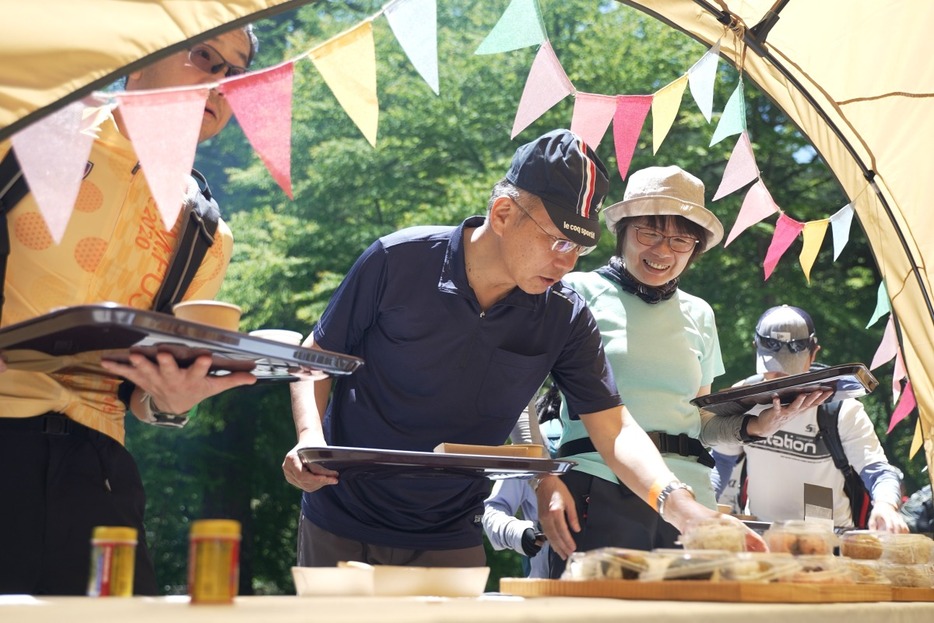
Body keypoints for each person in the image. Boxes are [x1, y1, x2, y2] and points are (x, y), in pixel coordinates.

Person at [281, 129, 766, 569]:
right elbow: (317, 356)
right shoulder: (397, 259)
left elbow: (613, 427)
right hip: (340, 514)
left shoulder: (565, 313)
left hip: (453, 527)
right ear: (503, 213)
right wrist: (307, 436)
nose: (567, 261)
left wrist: (684, 509)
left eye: (580, 248)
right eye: (556, 240)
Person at [0, 26, 260, 596]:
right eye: (205, 57)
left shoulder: (208, 234)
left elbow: (146, 396)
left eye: (237, 75)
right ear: (139, 58)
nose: (220, 84)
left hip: (101, 474)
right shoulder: (26, 131)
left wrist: (171, 401)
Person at [541, 166, 830, 578]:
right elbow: (518, 399)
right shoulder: (575, 291)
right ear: (622, 231)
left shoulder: (700, 312)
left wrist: (755, 426)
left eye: (680, 239)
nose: (663, 251)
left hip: (696, 502)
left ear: (694, 249)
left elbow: (699, 423)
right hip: (597, 487)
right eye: (649, 233)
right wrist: (542, 480)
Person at [711, 305, 908, 533]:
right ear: (756, 348)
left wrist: (885, 505)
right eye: (772, 367)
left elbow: (878, 471)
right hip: (761, 532)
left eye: (790, 369)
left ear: (813, 353)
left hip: (827, 538)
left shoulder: (841, 407)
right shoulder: (743, 399)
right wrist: (699, 508)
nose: (780, 378)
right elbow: (722, 461)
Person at [481, 403, 560, 578]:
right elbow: (492, 510)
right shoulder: (534, 445)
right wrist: (518, 532)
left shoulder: (616, 445)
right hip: (545, 588)